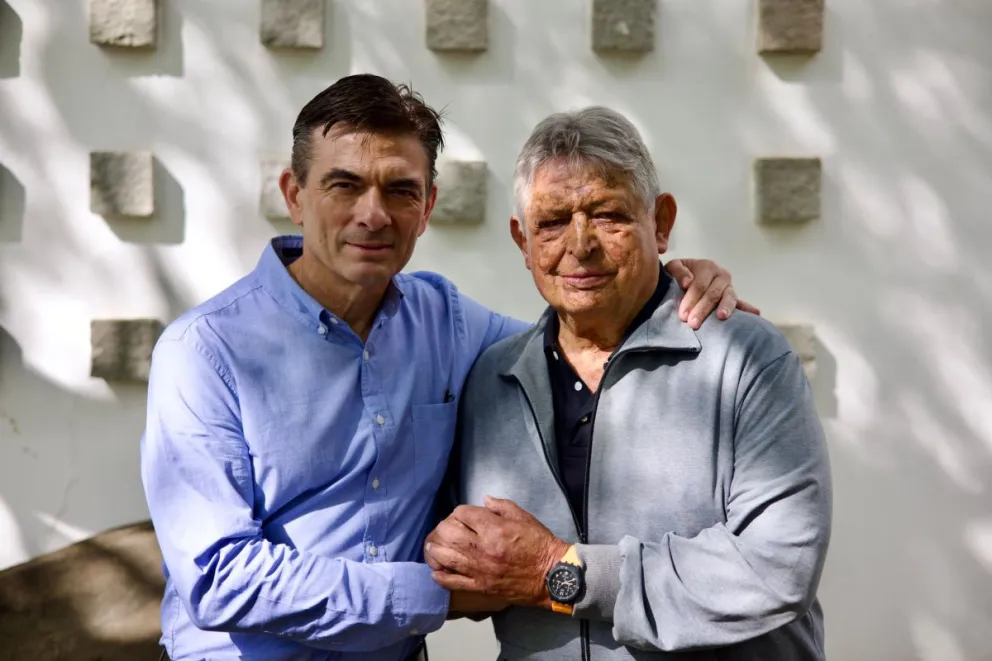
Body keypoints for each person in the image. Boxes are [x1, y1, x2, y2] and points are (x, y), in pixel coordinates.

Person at [139, 74, 758, 661]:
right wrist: (438, 593)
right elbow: (220, 579)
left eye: (400, 190)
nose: (373, 214)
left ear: (429, 205)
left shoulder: (450, 322)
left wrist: (663, 280)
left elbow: (588, 333)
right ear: (295, 196)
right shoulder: (205, 352)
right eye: (344, 185)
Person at [425, 106, 832, 661]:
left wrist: (557, 573)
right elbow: (459, 570)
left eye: (607, 214)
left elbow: (777, 568)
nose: (580, 243)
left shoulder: (747, 359)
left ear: (660, 223)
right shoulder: (490, 379)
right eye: (551, 222)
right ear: (523, 241)